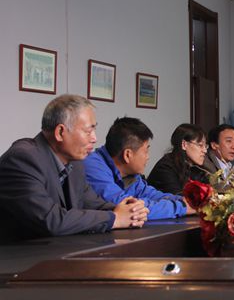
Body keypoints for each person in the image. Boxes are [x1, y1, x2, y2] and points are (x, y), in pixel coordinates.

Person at [0, 95, 148, 241]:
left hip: (57, 250)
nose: (94, 138)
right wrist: (114, 218)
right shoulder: (22, 159)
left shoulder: (75, 163)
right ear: (60, 132)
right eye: (88, 131)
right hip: (17, 254)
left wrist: (130, 210)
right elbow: (51, 221)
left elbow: (93, 204)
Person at [84, 117, 194, 220]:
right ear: (127, 155)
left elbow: (149, 194)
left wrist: (184, 201)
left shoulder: (129, 173)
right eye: (146, 151)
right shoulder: (93, 167)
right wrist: (181, 207)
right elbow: (129, 208)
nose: (148, 157)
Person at [147, 123, 208, 195]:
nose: (205, 150)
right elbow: (178, 197)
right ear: (184, 144)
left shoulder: (197, 168)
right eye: (200, 145)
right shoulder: (165, 167)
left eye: (205, 146)